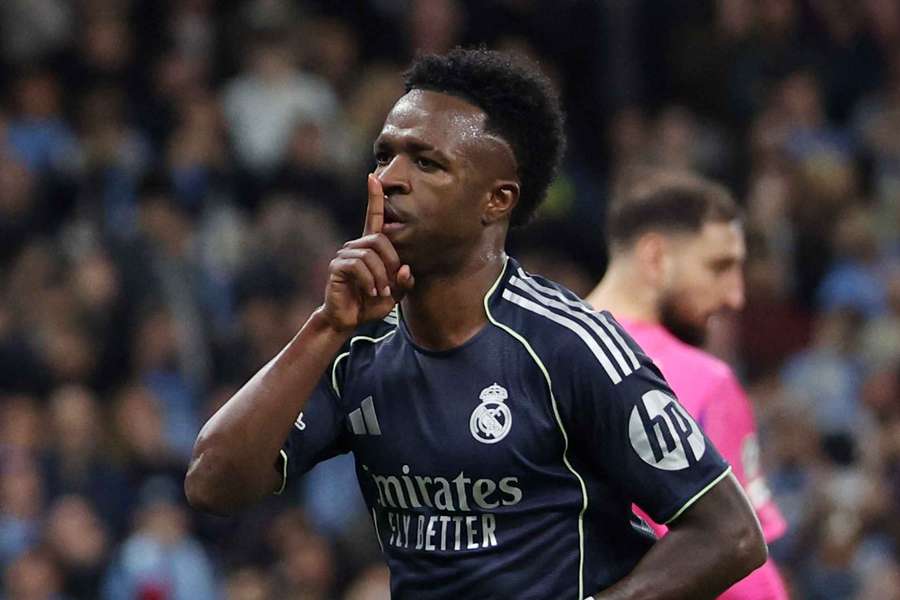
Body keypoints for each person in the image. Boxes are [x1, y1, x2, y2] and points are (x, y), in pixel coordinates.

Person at [185, 48, 766, 599]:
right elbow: (211, 484)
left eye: (427, 162)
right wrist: (325, 327)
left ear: (498, 200)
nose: (389, 178)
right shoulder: (354, 345)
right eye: (384, 155)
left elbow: (730, 533)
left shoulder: (572, 346)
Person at [586, 170, 789, 600]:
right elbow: (742, 562)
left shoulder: (535, 354)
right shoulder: (700, 379)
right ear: (656, 257)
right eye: (719, 267)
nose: (735, 296)